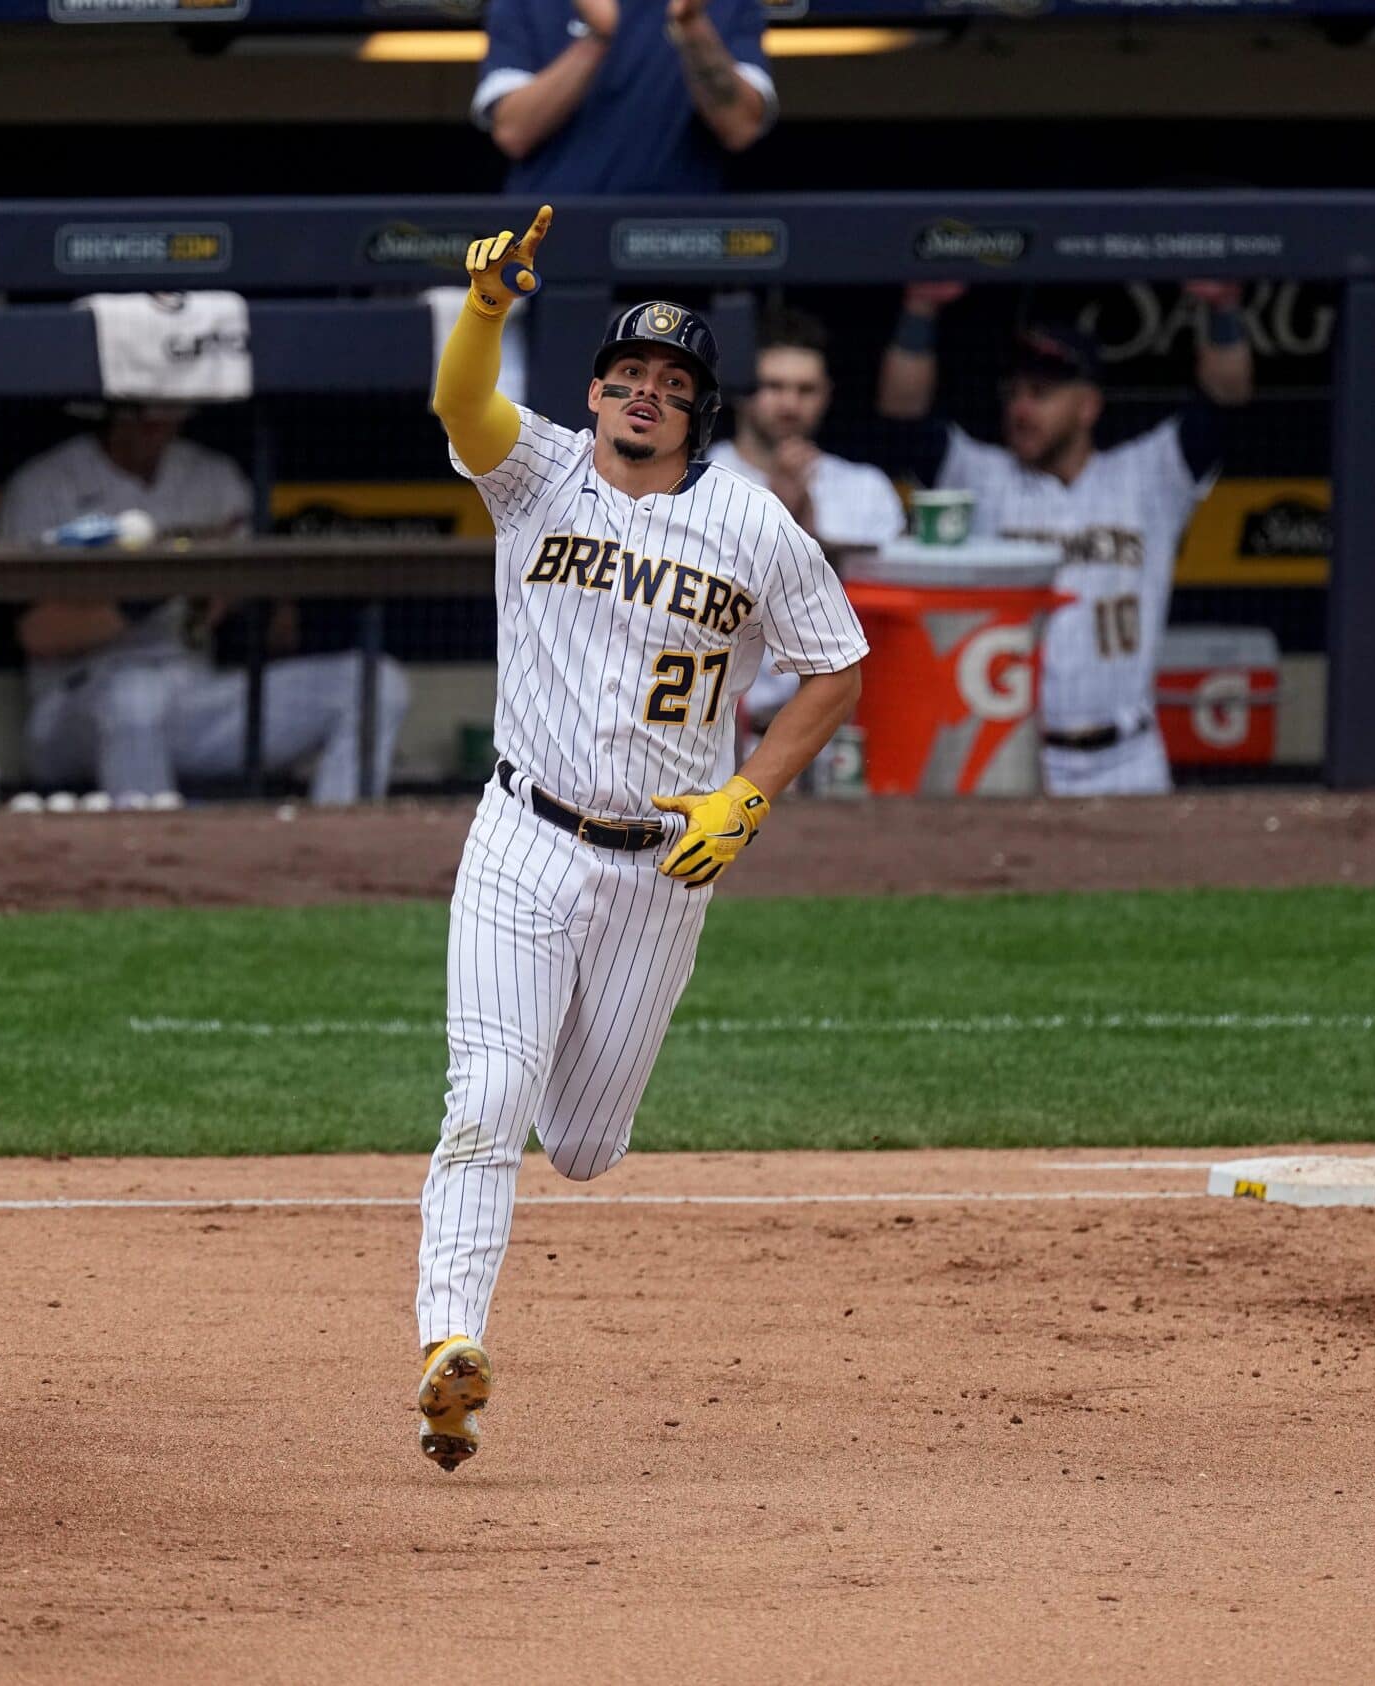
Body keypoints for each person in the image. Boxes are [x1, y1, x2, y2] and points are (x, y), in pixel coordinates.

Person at [414, 208, 866, 1471]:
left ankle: (561, 1121)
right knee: (487, 1095)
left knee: (587, 1145)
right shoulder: (536, 471)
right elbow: (461, 410)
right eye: (626, 376)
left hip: (661, 871)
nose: (643, 395)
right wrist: (488, 307)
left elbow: (836, 669)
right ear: (597, 390)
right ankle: (449, 1346)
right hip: (521, 837)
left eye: (672, 385)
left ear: (698, 411)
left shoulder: (752, 526)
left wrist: (752, 793)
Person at [875, 284, 1254, 795]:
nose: (1022, 409)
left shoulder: (1149, 476)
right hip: (1012, 753)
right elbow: (902, 416)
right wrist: (917, 314)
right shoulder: (979, 476)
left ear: (1087, 406)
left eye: (1042, 394)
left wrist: (1223, 310)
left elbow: (1227, 402)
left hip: (1129, 757)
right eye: (1015, 393)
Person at [0, 402, 409, 807]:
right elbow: (39, 634)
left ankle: (335, 849)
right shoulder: (44, 485)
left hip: (191, 693)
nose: (156, 431)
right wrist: (152, 591)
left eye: (168, 419)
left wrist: (231, 590)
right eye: (143, 419)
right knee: (135, 696)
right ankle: (150, 861)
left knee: (376, 683)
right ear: (112, 412)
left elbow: (260, 601)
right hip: (76, 704)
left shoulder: (213, 478)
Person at [708, 307, 902, 725]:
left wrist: (805, 525)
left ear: (827, 394)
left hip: (845, 732)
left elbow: (885, 619)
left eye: (806, 389)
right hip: (736, 734)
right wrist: (778, 515)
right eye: (774, 386)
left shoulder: (868, 488)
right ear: (741, 389)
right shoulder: (701, 481)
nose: (790, 404)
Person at [475, 0, 773, 195]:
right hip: (550, 248)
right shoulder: (527, 4)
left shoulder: (726, 4)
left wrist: (692, 25)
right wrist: (596, 37)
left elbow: (741, 128)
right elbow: (514, 132)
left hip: (681, 247)